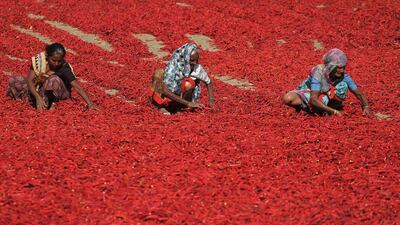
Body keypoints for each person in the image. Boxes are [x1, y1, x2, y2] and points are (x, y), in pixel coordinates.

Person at [7, 43, 96, 110]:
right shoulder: (40, 61)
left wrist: (90, 104)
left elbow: (77, 86)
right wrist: (37, 97)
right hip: (41, 89)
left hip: (60, 93)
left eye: (59, 61)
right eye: (53, 60)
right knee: (14, 80)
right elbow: (30, 80)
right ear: (47, 57)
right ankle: (36, 100)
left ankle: (51, 103)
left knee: (53, 79)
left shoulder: (64, 67)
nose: (56, 63)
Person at [282, 48, 370, 116]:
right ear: (331, 66)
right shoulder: (319, 72)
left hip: (326, 97)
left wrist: (365, 106)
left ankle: (324, 107)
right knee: (288, 98)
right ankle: (321, 109)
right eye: (339, 67)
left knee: (343, 85)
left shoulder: (343, 76)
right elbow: (313, 99)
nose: (342, 70)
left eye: (344, 67)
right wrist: (335, 112)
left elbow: (359, 93)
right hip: (309, 92)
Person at [150, 43, 215, 115]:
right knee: (158, 73)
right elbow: (164, 90)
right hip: (167, 95)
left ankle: (178, 107)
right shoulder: (173, 66)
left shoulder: (196, 68)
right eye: (192, 60)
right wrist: (188, 103)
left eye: (196, 60)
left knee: (189, 83)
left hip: (181, 98)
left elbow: (208, 82)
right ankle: (161, 105)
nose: (194, 63)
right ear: (185, 57)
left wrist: (211, 100)